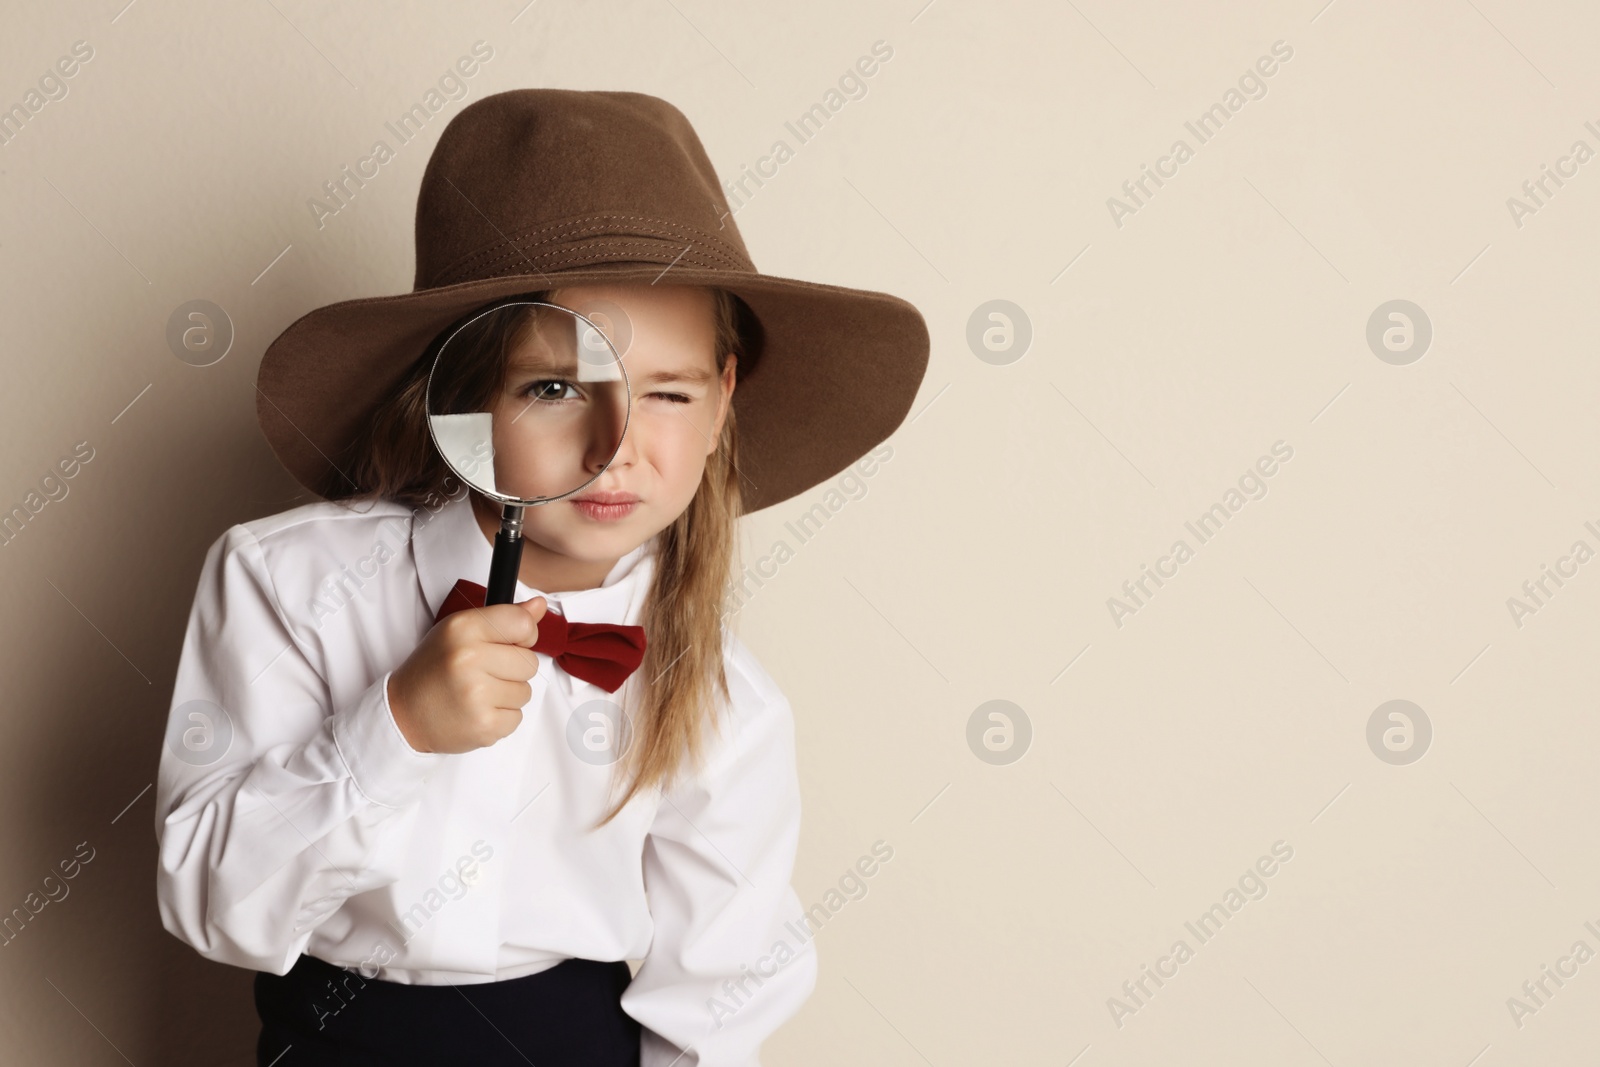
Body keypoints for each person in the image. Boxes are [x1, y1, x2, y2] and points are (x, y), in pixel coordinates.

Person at [153, 89, 928, 1066]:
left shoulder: (726, 697)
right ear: (467, 399)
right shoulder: (286, 580)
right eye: (556, 387)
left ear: (725, 400)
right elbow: (215, 907)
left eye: (668, 393)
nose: (616, 447)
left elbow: (719, 991)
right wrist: (390, 729)